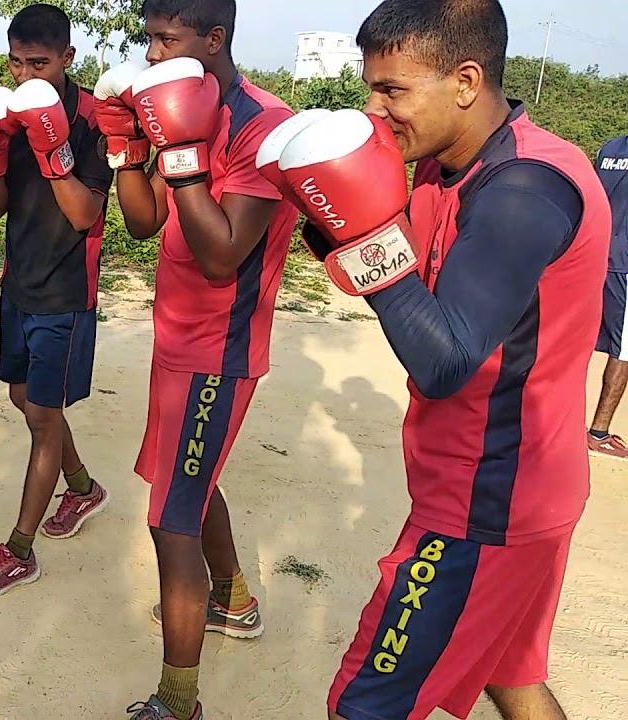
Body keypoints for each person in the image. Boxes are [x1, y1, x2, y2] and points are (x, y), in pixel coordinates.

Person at [258, 1, 609, 718]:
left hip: (487, 503)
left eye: (393, 90)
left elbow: (443, 362)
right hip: (502, 488)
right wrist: (332, 224)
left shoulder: (524, 191)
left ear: (466, 81)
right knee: (509, 676)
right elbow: (410, 294)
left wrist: (361, 238)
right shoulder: (439, 169)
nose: (375, 110)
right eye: (371, 88)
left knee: (365, 705)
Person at [93, 0, 297, 716]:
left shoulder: (263, 126)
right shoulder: (178, 104)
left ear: (214, 38)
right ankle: (233, 600)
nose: (151, 54)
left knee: (171, 517)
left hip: (218, 350)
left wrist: (179, 153)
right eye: (148, 38)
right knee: (183, 480)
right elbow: (143, 220)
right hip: (175, 339)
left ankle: (178, 702)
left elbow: (222, 255)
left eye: (165, 39)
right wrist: (126, 145)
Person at [0, 2, 112, 598]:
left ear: (68, 57)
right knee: (23, 397)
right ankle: (83, 488)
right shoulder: (6, 112)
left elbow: (84, 213)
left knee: (43, 418)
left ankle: (19, 550)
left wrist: (53, 151)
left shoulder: (94, 119)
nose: (25, 75)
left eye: (39, 64)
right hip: (17, 279)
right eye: (17, 63)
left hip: (66, 290)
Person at [588, 134, 628, 459]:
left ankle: (547, 418)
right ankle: (598, 433)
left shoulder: (610, 149)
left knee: (578, 340)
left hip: (596, 255)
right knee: (624, 350)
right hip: (625, 265)